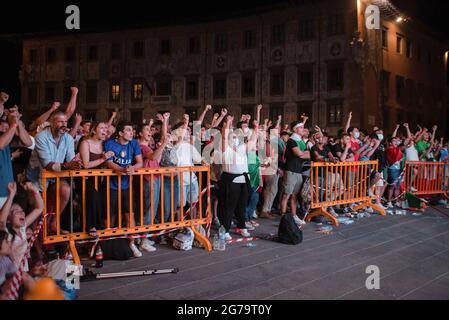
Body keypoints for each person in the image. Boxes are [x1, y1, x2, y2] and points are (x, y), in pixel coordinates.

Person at [104, 121, 143, 257]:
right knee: (111, 216)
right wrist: (121, 169)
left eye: (132, 130)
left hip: (126, 186)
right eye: (128, 130)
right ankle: (108, 244)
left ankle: (131, 243)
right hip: (111, 185)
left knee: (129, 214)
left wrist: (132, 168)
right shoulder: (110, 143)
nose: (131, 132)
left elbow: (140, 162)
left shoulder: (134, 144)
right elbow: (108, 162)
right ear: (120, 133)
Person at [78, 122, 115, 237]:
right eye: (102, 127)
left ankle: (101, 226)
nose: (105, 130)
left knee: (104, 197)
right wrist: (103, 159)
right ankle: (90, 226)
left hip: (99, 177)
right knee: (93, 195)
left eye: (106, 128)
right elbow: (86, 164)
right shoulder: (85, 143)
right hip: (85, 178)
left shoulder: (105, 144)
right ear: (94, 130)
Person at [0, 106, 33, 208]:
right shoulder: (4, 139)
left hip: (8, 191)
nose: (5, 129)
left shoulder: (8, 138)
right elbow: (1, 144)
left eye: (6, 127)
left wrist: (17, 121)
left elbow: (28, 142)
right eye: (2, 127)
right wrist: (13, 124)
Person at [280, 120, 310, 226]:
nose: (303, 129)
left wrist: (304, 154)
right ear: (295, 129)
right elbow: (300, 154)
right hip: (291, 170)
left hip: (298, 171)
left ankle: (293, 216)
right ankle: (283, 218)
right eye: (301, 127)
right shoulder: (292, 140)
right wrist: (304, 154)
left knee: (295, 196)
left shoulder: (300, 141)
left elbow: (307, 154)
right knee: (286, 195)